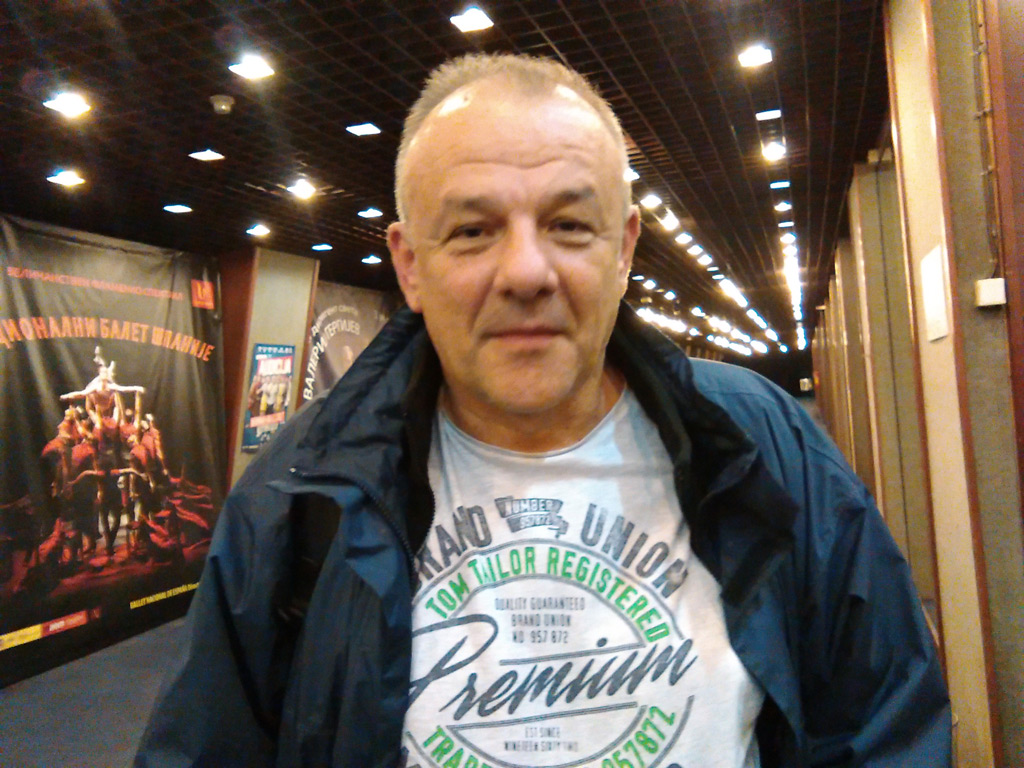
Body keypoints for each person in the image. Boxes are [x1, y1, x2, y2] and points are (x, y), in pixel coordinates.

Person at [135, 53, 950, 768]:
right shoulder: (302, 491)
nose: (526, 271)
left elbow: (881, 726)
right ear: (410, 266)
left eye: (567, 224)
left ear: (624, 248)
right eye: (472, 231)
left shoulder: (760, 447)